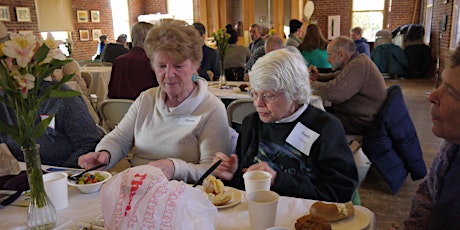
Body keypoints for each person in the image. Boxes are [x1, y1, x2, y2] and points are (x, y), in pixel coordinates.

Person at [78, 19, 232, 183]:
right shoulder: (146, 99)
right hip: (138, 189)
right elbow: (118, 139)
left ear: (195, 65)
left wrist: (174, 168)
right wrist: (104, 154)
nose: (169, 74)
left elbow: (211, 170)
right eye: (162, 66)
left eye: (178, 66)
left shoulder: (211, 108)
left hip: (184, 197)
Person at [213, 47, 359, 202]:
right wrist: (233, 175)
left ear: (295, 93)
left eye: (268, 96)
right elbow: (246, 183)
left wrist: (278, 180)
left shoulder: (325, 127)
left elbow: (340, 191)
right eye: (255, 93)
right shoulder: (252, 123)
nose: (258, 103)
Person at [401, 45, 460, 229]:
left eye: (450, 92)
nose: (433, 96)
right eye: (442, 84)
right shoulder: (451, 148)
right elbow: (429, 194)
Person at [0, 81, 103, 168]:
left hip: (66, 179)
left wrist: (60, 175)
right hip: (19, 180)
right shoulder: (3, 100)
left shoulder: (61, 97)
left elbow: (90, 144)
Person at [309, 36, 387, 135]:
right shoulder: (357, 61)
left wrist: (310, 84)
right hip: (354, 115)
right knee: (312, 113)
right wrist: (317, 77)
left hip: (360, 121)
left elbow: (332, 93)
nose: (328, 59)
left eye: (329, 55)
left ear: (341, 55)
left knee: (311, 121)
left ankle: (327, 150)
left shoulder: (359, 65)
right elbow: (337, 76)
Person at [108, 22, 158, 100]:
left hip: (118, 110)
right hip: (146, 108)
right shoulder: (152, 61)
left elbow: (111, 92)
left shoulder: (118, 61)